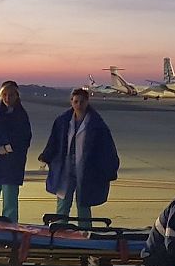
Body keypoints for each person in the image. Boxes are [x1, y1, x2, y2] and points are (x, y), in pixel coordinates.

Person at [39, 87, 119, 227]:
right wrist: (46, 156)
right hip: (66, 168)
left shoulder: (97, 124)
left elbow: (106, 148)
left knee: (83, 203)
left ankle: (85, 231)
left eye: (82, 101)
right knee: (63, 202)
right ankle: (59, 230)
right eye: (76, 101)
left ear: (87, 102)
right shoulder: (62, 121)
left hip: (86, 169)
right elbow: (54, 141)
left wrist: (110, 168)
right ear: (71, 102)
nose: (79, 104)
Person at [0, 80, 32, 223]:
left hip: (12, 165)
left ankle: (10, 230)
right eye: (5, 95)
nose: (8, 98)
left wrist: (10, 147)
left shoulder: (21, 115)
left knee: (10, 203)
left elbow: (25, 137)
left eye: (11, 95)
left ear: (17, 96)